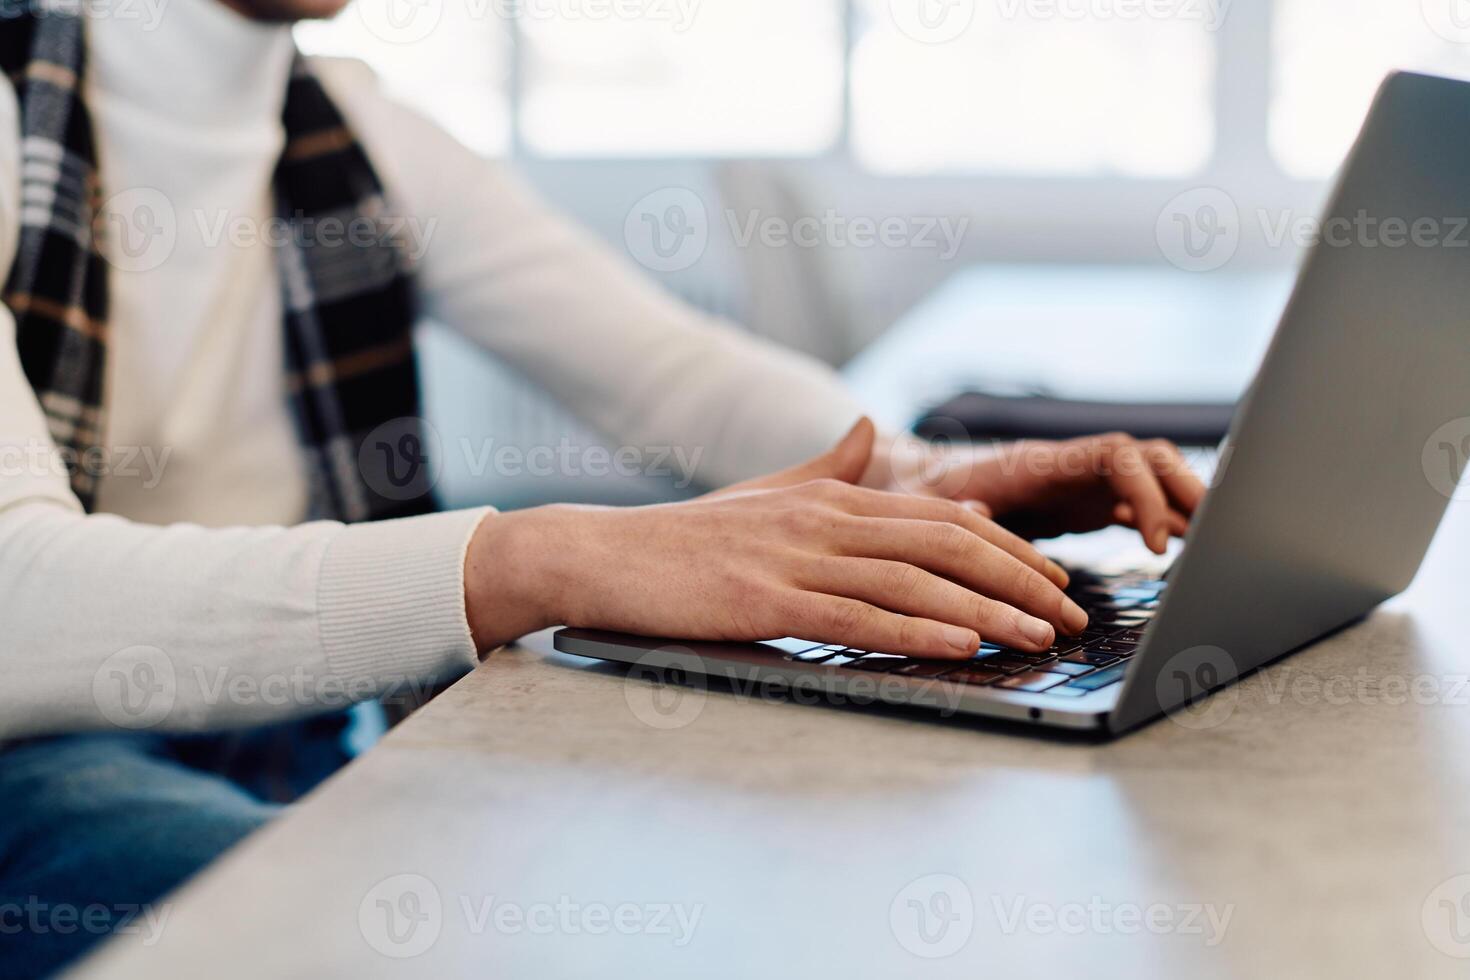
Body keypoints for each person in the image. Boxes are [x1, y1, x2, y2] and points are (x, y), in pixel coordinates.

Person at [0, 0, 1205, 972]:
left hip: (301, 727)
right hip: (39, 754)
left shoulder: (351, 126)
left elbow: (672, 376)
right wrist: (540, 558)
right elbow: (19, 603)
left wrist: (930, 477)